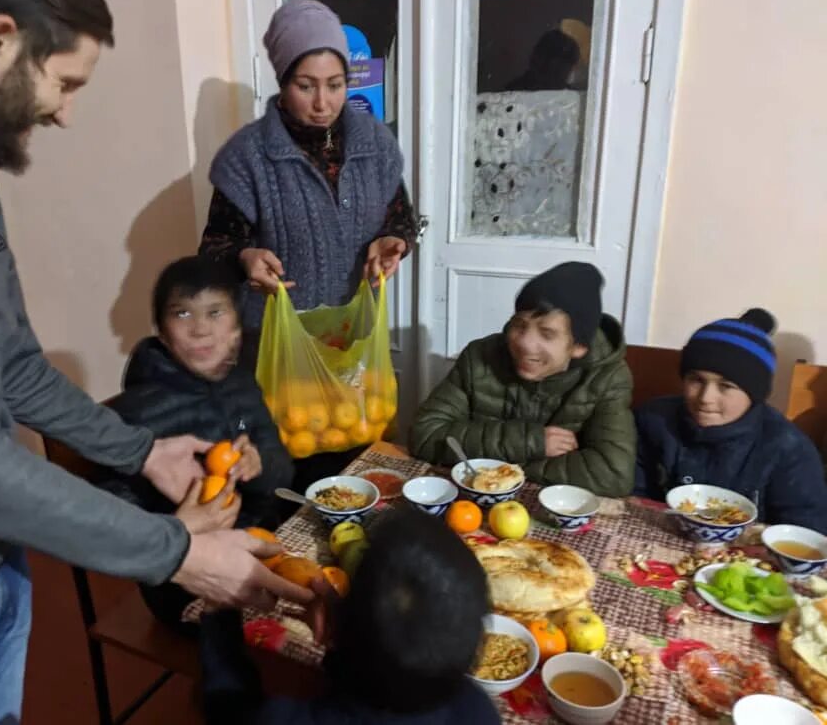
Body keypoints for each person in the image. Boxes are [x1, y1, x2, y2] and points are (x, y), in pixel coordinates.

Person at [0, 0, 311, 723]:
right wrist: (176, 553)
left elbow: (15, 366)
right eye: (64, 82)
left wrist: (142, 450)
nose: (65, 111)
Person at [200, 0, 420, 486]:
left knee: (358, 476)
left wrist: (395, 242)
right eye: (306, 86)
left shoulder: (375, 145)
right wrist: (244, 257)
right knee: (288, 476)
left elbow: (401, 218)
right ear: (282, 83)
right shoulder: (248, 158)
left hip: (350, 348)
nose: (323, 102)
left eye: (336, 85)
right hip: (278, 353)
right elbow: (214, 247)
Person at [102, 256, 295, 626]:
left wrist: (261, 463)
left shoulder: (243, 386)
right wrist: (179, 526)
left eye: (215, 312)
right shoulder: (137, 413)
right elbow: (113, 509)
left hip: (258, 541)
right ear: (161, 329)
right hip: (181, 578)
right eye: (183, 314)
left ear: (238, 325)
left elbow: (282, 469)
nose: (201, 330)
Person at [199, 508, 502, 724]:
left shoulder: (281, 717)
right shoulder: (478, 710)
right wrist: (343, 634)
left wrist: (219, 614)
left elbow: (227, 705)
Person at [410, 261, 636, 497]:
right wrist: (531, 442)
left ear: (579, 346)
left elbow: (613, 475)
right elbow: (425, 434)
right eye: (520, 325)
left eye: (547, 333)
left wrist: (503, 470)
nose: (524, 343)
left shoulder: (608, 378)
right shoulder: (480, 356)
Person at [635, 309, 827, 530]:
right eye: (696, 380)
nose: (706, 398)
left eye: (726, 386)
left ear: (754, 393)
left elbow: (806, 531)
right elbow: (633, 498)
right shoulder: (653, 420)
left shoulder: (787, 449)